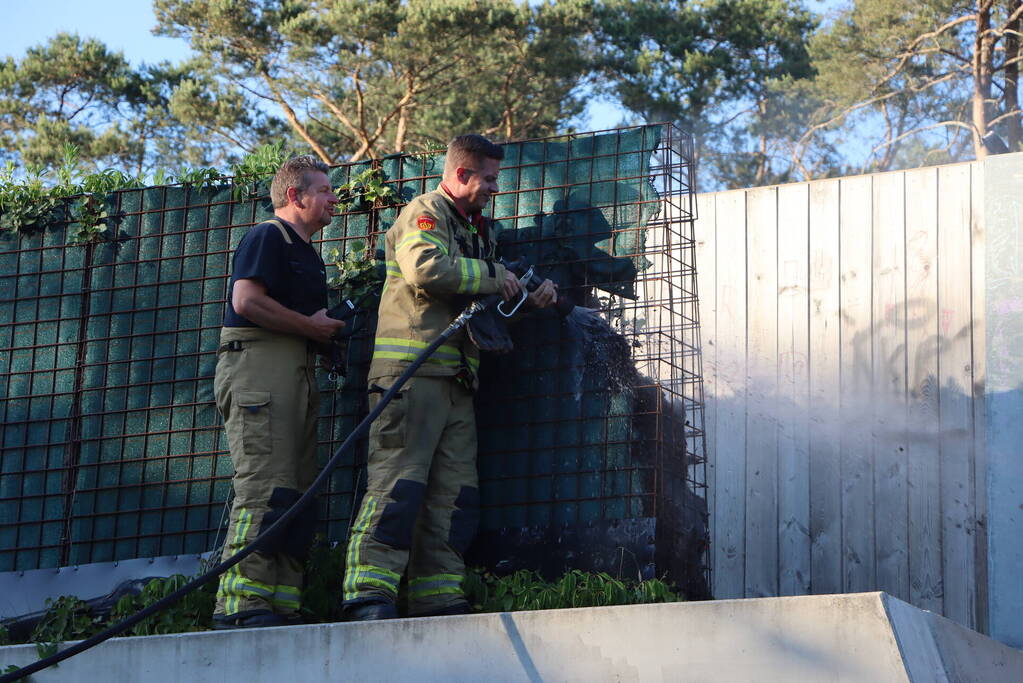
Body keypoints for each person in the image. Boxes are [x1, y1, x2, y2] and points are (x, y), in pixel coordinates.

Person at [342, 134, 557, 621]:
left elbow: (479, 304)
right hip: (412, 374)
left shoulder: (477, 231)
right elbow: (424, 268)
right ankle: (368, 595)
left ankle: (437, 595)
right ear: (461, 174)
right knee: (398, 488)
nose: (494, 188)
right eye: (488, 178)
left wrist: (526, 297)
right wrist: (495, 274)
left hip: (458, 380)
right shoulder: (427, 212)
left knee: (454, 497)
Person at [211, 155, 345, 629]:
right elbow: (245, 300)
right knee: (264, 488)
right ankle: (240, 603)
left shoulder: (308, 252)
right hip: (260, 366)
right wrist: (310, 326)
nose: (334, 198)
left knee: (295, 492)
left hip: (295, 371)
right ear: (296, 195)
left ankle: (281, 602)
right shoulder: (269, 235)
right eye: (325, 189)